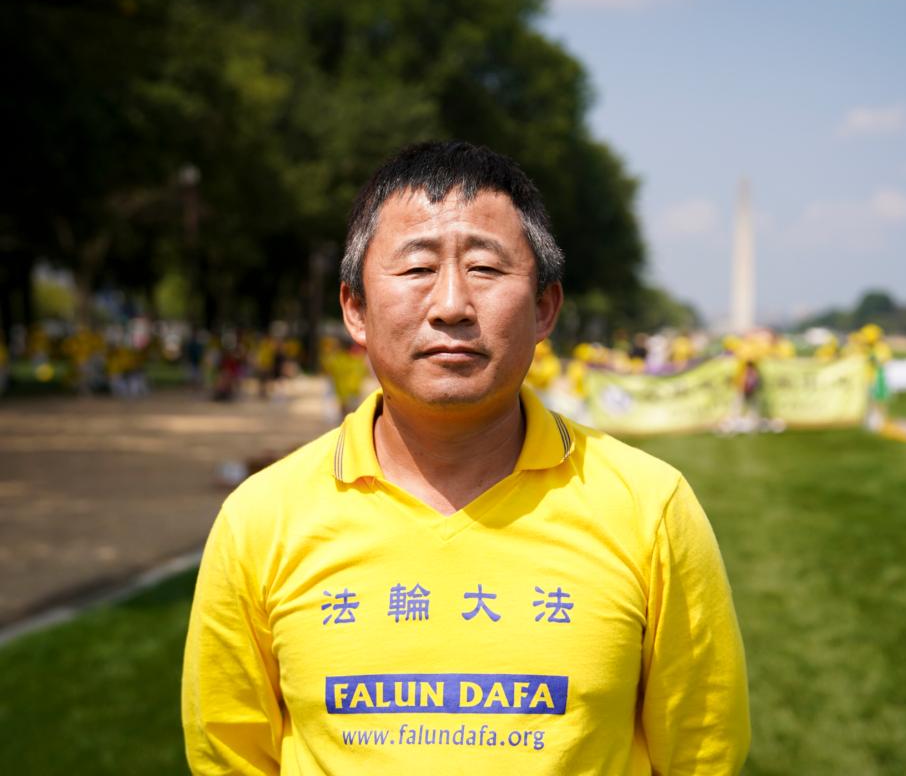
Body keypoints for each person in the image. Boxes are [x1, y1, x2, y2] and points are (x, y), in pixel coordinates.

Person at [182, 141, 750, 775]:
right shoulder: (260, 519)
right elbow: (228, 756)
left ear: (543, 308)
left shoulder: (651, 508)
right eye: (417, 268)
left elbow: (702, 753)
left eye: (485, 268)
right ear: (355, 309)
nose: (451, 304)